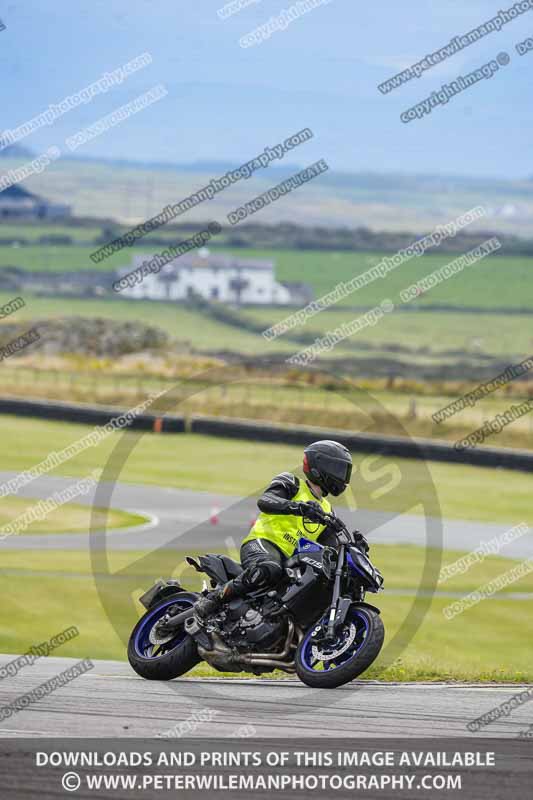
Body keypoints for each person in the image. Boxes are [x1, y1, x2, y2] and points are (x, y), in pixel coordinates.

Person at [195, 439, 367, 619]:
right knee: (269, 568)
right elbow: (266, 501)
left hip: (292, 563)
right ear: (322, 466)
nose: (343, 477)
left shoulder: (327, 511)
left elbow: (331, 549)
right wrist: (299, 508)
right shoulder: (292, 482)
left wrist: (354, 547)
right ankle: (215, 598)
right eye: (339, 470)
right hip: (263, 543)